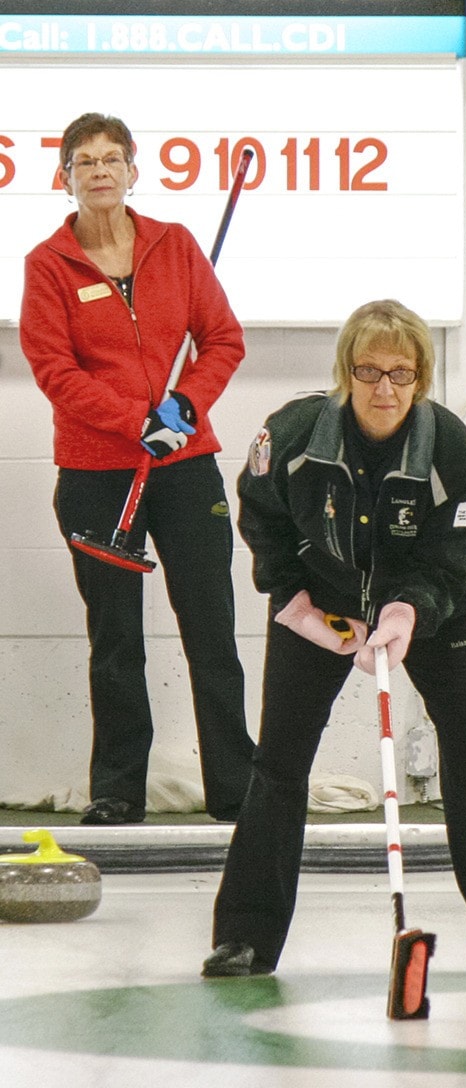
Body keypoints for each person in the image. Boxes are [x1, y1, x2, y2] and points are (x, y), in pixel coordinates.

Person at [202, 299, 466, 980]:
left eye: (399, 373)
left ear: (419, 377)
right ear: (345, 373)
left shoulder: (452, 447)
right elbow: (259, 512)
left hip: (436, 608)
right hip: (323, 604)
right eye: (368, 371)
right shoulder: (293, 435)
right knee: (278, 766)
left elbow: (451, 555)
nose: (383, 388)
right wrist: (292, 598)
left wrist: (404, 614)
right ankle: (244, 936)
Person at [19, 113, 254, 825]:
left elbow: (222, 340)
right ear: (64, 177)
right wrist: (134, 422)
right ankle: (118, 790)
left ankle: (236, 790)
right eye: (83, 160)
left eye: (111, 158)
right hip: (98, 472)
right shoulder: (47, 265)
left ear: (133, 171)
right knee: (115, 639)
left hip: (185, 466)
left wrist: (181, 407)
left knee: (211, 628)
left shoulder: (175, 247)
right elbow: (53, 369)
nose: (98, 170)